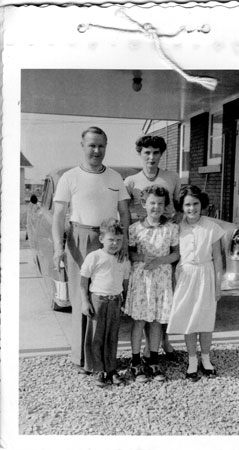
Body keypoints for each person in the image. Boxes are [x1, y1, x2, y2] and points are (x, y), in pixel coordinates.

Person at [52, 126, 130, 373]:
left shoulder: (115, 177)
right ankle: (82, 359)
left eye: (101, 146)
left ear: (106, 147)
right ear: (83, 146)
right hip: (80, 237)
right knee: (82, 296)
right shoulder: (70, 177)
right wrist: (58, 248)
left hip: (110, 239)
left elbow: (125, 213)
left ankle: (105, 359)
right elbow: (58, 216)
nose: (97, 151)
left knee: (105, 298)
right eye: (92, 145)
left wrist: (124, 242)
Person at [124, 134, 181, 359]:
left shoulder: (172, 177)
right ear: (140, 154)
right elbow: (124, 212)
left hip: (167, 240)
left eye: (156, 153)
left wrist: (174, 223)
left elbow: (178, 207)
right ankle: (142, 354)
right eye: (147, 152)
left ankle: (162, 346)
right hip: (143, 240)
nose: (151, 157)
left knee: (163, 299)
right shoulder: (131, 182)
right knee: (144, 304)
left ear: (161, 154)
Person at [167, 185, 224, 382]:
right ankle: (192, 359)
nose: (192, 208)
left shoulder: (212, 227)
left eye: (196, 204)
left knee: (205, 319)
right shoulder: (177, 225)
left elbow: (218, 259)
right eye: (188, 205)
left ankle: (206, 359)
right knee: (189, 319)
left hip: (206, 274)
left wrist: (218, 285)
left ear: (202, 204)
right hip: (186, 274)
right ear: (182, 207)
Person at [124, 186, 179, 382]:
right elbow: (129, 253)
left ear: (165, 206)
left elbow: (176, 253)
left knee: (156, 320)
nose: (156, 207)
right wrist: (142, 256)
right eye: (152, 203)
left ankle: (153, 360)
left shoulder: (172, 228)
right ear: (144, 204)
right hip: (142, 279)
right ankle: (135, 360)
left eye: (160, 203)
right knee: (139, 320)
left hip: (161, 279)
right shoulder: (134, 228)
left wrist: (160, 261)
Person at [80, 219, 130, 387]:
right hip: (97, 300)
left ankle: (111, 368)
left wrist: (124, 301)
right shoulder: (94, 257)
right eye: (111, 239)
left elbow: (125, 283)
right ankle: (98, 369)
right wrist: (85, 301)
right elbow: (83, 282)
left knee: (112, 336)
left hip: (115, 301)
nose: (115, 243)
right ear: (101, 239)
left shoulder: (123, 260)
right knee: (96, 336)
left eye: (118, 240)